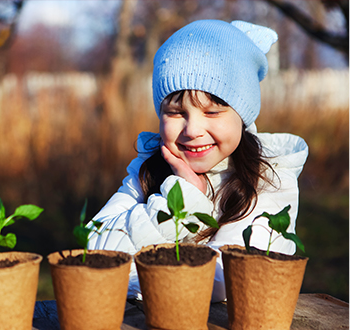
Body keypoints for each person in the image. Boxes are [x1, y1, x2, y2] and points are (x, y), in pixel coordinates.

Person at [87, 19, 308, 302]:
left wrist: (185, 203)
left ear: (243, 115)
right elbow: (93, 253)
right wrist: (179, 198)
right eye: (176, 112)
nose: (192, 131)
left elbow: (227, 281)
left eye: (212, 112)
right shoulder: (147, 169)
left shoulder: (270, 178)